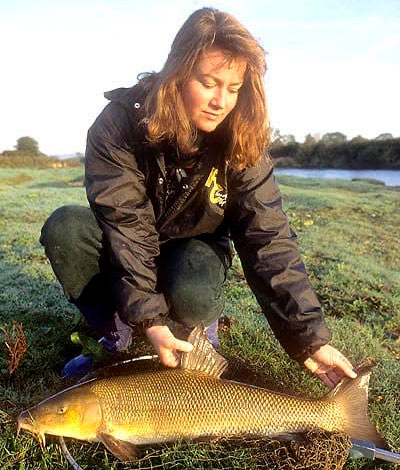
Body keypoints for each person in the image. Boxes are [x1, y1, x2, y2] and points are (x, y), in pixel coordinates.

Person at [40, 7, 357, 388]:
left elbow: (269, 240)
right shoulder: (118, 124)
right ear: (177, 73)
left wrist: (310, 340)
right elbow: (126, 224)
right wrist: (149, 319)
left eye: (234, 88)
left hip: (194, 245)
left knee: (192, 288)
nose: (221, 101)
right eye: (208, 82)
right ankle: (118, 339)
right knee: (66, 228)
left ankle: (194, 338)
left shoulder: (243, 139)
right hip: (126, 243)